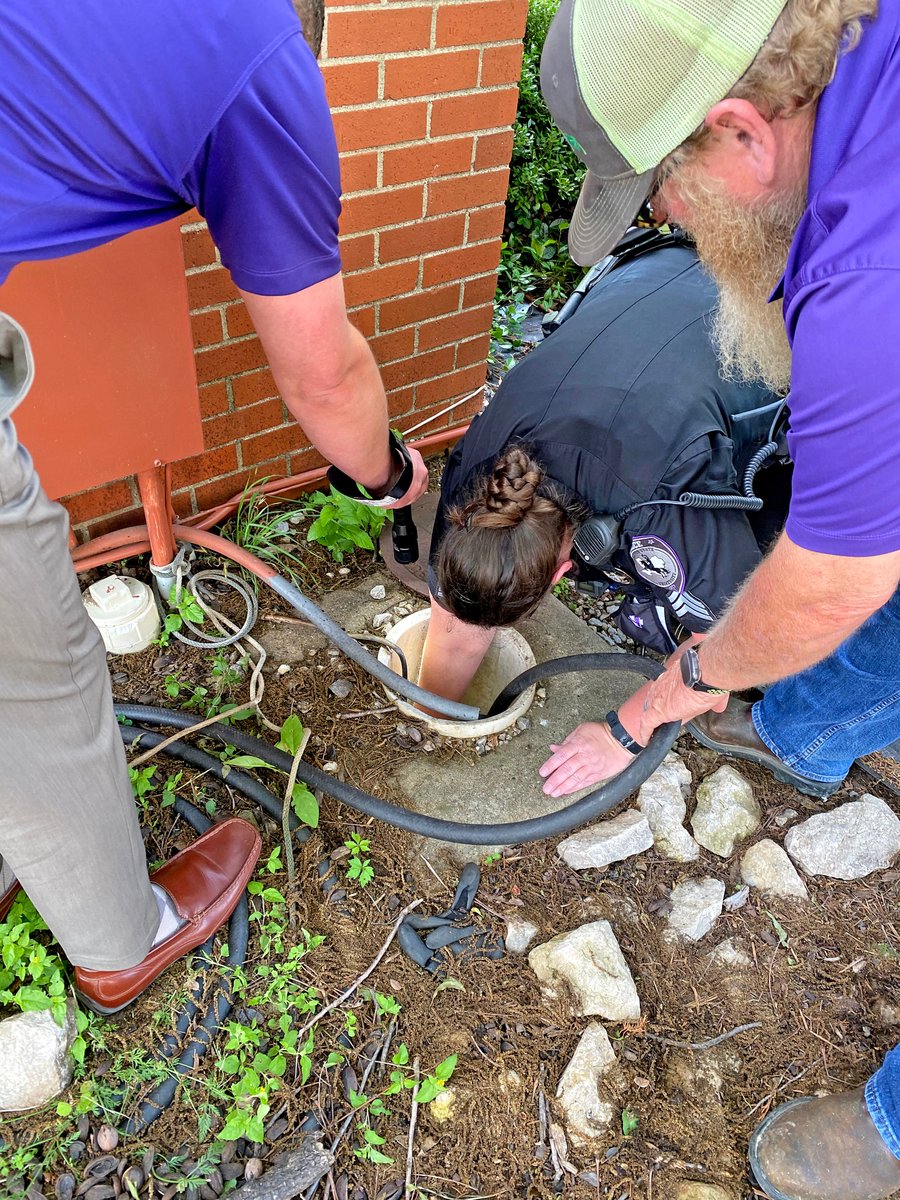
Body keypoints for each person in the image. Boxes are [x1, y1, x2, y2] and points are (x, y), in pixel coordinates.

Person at [534, 1, 900, 1197]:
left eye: (662, 194)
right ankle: (807, 729)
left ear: (740, 133)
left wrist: (661, 702)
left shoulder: (867, 282)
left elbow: (831, 574)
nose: (667, 226)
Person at [0, 0, 426, 1016]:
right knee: (41, 677)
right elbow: (323, 373)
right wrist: (388, 477)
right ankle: (120, 939)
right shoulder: (256, 61)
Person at [417, 230, 787, 705]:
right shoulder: (482, 467)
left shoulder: (666, 505)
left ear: (559, 575)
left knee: (749, 557)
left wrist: (626, 732)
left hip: (778, 298)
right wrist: (432, 709)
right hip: (673, 262)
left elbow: (729, 642)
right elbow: (455, 613)